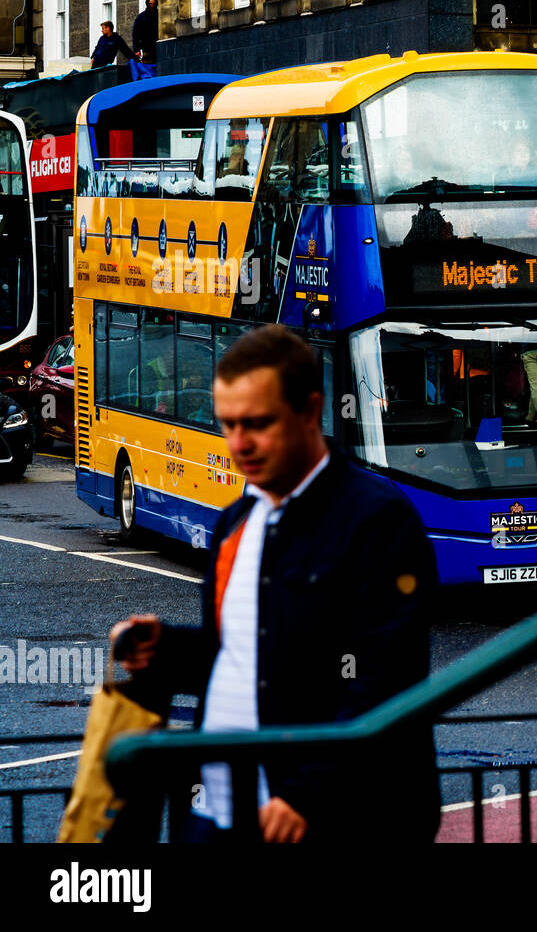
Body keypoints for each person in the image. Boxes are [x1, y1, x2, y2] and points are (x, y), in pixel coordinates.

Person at [109, 325, 437, 842]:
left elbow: (388, 677)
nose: (239, 444)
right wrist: (166, 647)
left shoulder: (378, 519)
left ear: (309, 411)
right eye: (229, 424)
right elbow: (240, 654)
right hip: (220, 809)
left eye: (258, 424)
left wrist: (309, 791)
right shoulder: (235, 520)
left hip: (325, 815)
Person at [131, 0, 159, 80]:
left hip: (156, 47)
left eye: (154, 4)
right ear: (147, 4)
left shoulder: (159, 15)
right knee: (144, 69)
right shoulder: (141, 17)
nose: (152, 6)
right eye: (150, 4)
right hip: (145, 47)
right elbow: (135, 34)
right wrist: (137, 50)